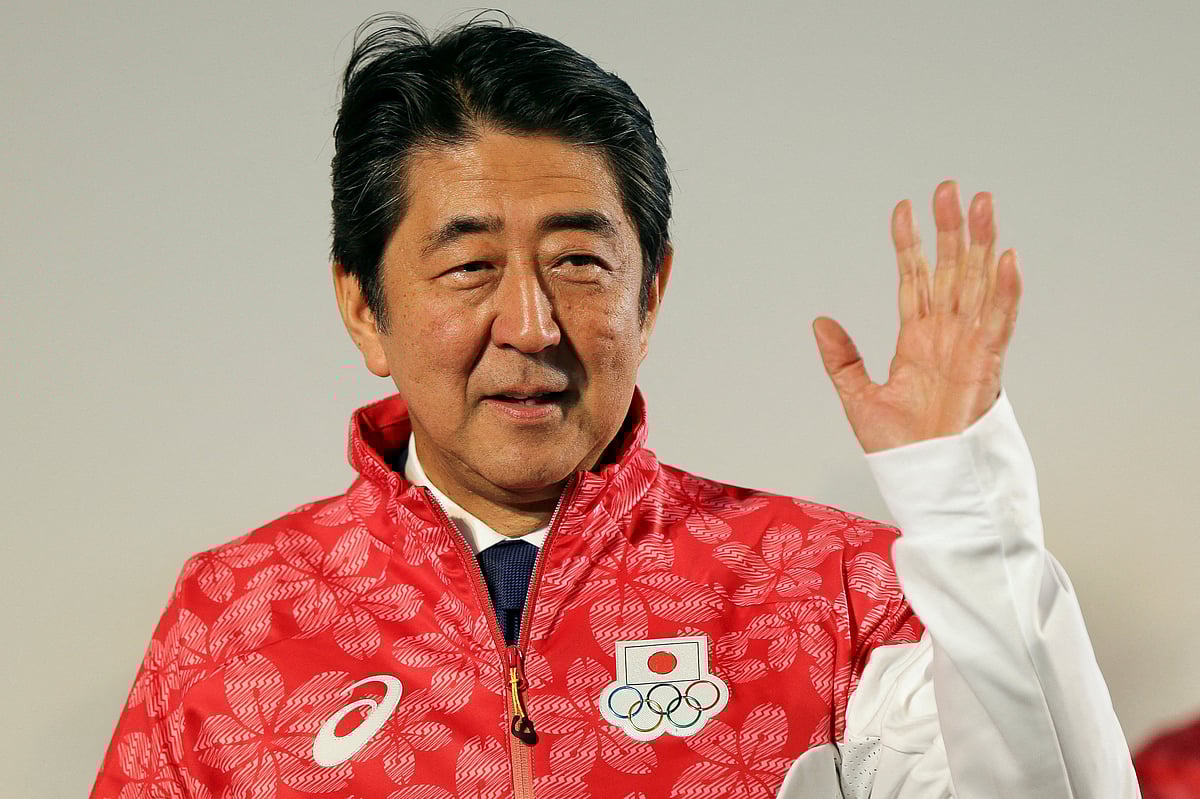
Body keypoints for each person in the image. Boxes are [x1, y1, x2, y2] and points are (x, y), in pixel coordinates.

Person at [89, 13, 1140, 798]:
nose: (534, 323)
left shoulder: (836, 595)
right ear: (363, 307)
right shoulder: (234, 623)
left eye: (580, 261)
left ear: (653, 291)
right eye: (469, 268)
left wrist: (963, 508)